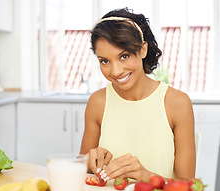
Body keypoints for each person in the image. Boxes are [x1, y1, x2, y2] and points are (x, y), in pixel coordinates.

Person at [80, 8, 196, 182]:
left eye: (124, 56)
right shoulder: (98, 102)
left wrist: (146, 176)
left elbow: (187, 186)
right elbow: (82, 172)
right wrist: (91, 162)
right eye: (104, 61)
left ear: (142, 50)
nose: (116, 71)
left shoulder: (177, 103)